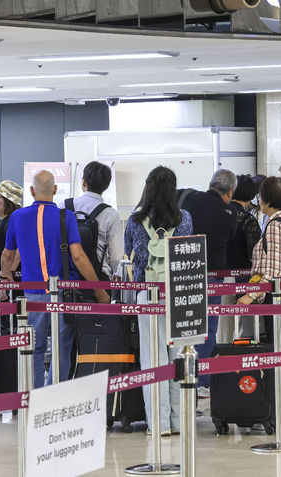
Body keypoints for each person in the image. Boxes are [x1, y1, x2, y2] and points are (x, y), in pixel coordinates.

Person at [0, 171, 109, 388]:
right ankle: (55, 398)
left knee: (35, 348)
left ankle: (35, 398)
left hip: (33, 293)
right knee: (62, 348)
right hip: (62, 292)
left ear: (31, 191)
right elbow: (77, 256)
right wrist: (99, 290)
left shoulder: (17, 217)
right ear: (56, 190)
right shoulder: (65, 216)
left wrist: (6, 278)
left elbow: (8, 255)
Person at [124, 166, 193, 436]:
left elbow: (130, 254)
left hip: (148, 294)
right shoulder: (185, 218)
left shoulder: (134, 220)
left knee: (153, 361)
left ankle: (159, 424)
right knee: (180, 359)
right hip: (180, 293)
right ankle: (180, 422)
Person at [236, 176, 281, 430]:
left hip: (279, 302)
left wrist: (250, 295)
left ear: (266, 200)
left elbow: (273, 271)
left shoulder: (276, 225)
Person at [181, 169, 238, 389]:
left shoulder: (190, 201)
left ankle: (184, 378)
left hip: (185, 274)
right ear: (230, 192)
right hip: (213, 277)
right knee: (208, 330)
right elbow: (231, 238)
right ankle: (202, 381)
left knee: (186, 328)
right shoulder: (230, 214)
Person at [58, 161, 124, 279]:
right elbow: (116, 257)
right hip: (99, 279)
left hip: (66, 277)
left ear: (83, 182)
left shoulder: (63, 206)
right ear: (106, 186)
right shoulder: (110, 214)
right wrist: (117, 274)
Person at [219, 174, 262, 343]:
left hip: (220, 276)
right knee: (242, 328)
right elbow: (255, 255)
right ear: (251, 196)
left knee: (223, 326)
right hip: (243, 278)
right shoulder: (247, 219)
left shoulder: (220, 214)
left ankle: (221, 357)